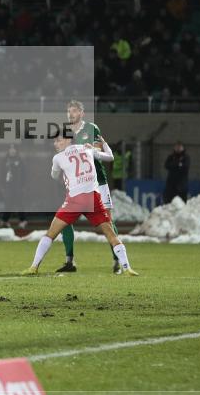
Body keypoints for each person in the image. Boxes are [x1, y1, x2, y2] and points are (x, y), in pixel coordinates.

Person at [21, 134, 137, 276]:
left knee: (51, 233)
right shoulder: (87, 148)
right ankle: (126, 267)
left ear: (68, 140)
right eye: (54, 141)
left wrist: (61, 172)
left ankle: (34, 267)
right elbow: (110, 157)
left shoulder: (58, 158)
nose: (55, 143)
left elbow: (54, 175)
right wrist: (104, 144)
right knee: (111, 234)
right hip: (93, 199)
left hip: (75, 199)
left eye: (58, 140)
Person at [56, 101, 122, 274]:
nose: (71, 114)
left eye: (74, 111)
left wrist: (90, 148)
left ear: (82, 113)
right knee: (64, 221)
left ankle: (118, 261)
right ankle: (69, 261)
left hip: (97, 182)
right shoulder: (66, 131)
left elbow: (99, 152)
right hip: (76, 185)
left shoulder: (91, 128)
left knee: (107, 221)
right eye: (69, 111)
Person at [0, 143, 27, 230]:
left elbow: (24, 174)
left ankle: (23, 221)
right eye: (10, 149)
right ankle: (5, 221)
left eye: (14, 149)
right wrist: (2, 186)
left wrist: (23, 186)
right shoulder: (5, 161)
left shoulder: (20, 161)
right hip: (8, 186)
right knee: (8, 203)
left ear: (16, 151)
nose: (12, 151)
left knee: (19, 203)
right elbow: (1, 174)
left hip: (18, 186)